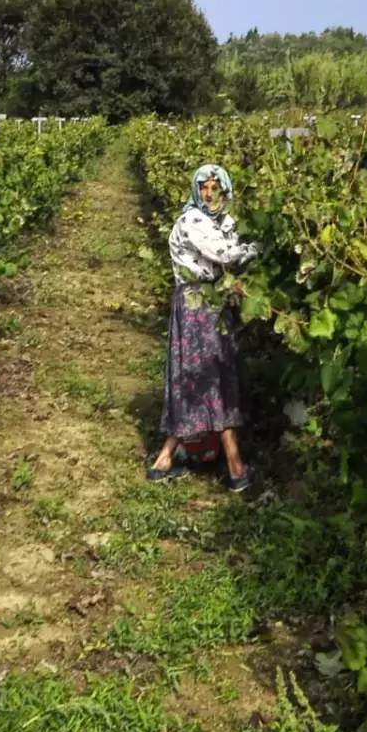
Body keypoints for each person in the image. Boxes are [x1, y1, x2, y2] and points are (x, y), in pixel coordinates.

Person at [150, 164, 260, 492]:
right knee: (212, 378)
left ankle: (165, 460)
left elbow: (229, 233)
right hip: (198, 305)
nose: (210, 195)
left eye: (217, 188)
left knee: (198, 378)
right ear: (195, 190)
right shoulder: (192, 221)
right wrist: (258, 248)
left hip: (209, 304)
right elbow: (224, 252)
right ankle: (236, 467)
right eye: (204, 188)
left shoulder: (215, 221)